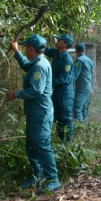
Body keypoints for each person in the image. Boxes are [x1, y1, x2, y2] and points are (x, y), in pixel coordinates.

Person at [6, 35, 60, 193]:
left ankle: (53, 179)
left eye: (24, 48)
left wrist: (15, 94)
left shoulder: (40, 66)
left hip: (40, 114)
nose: (24, 50)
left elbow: (36, 90)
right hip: (34, 112)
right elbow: (25, 65)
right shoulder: (37, 62)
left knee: (42, 146)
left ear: (31, 49)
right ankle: (37, 175)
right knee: (31, 146)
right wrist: (16, 52)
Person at [45, 33, 74, 142]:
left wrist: (47, 82)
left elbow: (63, 79)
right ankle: (61, 138)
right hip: (57, 91)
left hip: (65, 93)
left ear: (65, 44)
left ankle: (67, 142)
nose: (57, 41)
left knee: (65, 118)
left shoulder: (67, 60)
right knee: (57, 117)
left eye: (59, 40)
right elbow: (45, 50)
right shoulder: (56, 53)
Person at [73, 43, 94, 123]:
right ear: (84, 50)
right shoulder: (90, 60)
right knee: (84, 108)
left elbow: (75, 75)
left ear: (76, 51)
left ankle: (80, 129)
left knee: (77, 108)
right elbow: (91, 74)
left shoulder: (79, 60)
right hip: (88, 87)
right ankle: (85, 126)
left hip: (82, 88)